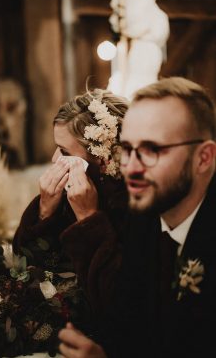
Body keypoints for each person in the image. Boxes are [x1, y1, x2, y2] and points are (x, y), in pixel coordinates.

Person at [58, 76, 216, 358]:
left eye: (152, 150)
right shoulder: (145, 216)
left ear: (203, 158)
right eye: (128, 149)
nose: (131, 167)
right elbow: (126, 324)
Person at [13, 89, 129, 320]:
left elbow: (121, 301)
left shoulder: (133, 204)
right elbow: (23, 266)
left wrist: (88, 218)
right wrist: (45, 212)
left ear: (101, 157)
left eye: (65, 152)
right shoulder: (65, 195)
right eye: (57, 147)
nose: (55, 159)